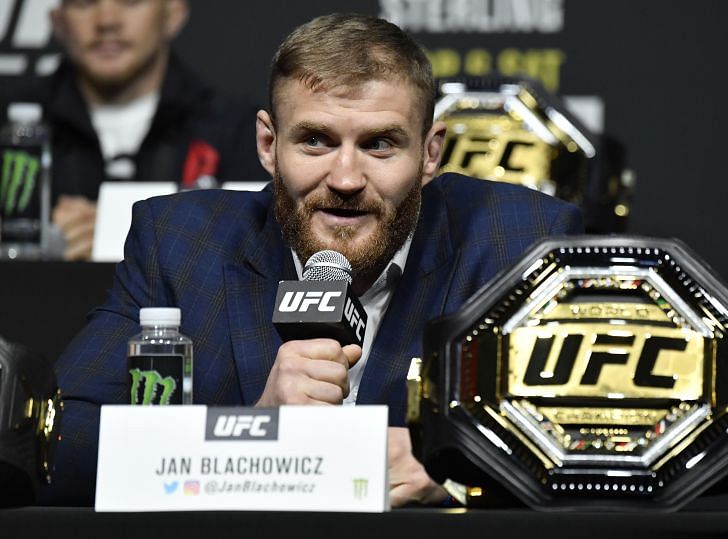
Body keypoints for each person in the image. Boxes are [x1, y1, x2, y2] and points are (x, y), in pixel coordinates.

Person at [43, 13, 582, 506]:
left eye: (379, 145)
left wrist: (461, 465)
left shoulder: (520, 241)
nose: (345, 179)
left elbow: (608, 441)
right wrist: (249, 435)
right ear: (267, 145)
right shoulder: (180, 244)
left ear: (431, 152)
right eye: (316, 141)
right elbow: (53, 441)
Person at [1, 0, 264, 260]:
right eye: (84, 3)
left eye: (130, 1)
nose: (107, 21)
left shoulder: (236, 129)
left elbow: (262, 253)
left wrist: (115, 231)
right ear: (58, 22)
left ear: (172, 15)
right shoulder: (8, 126)